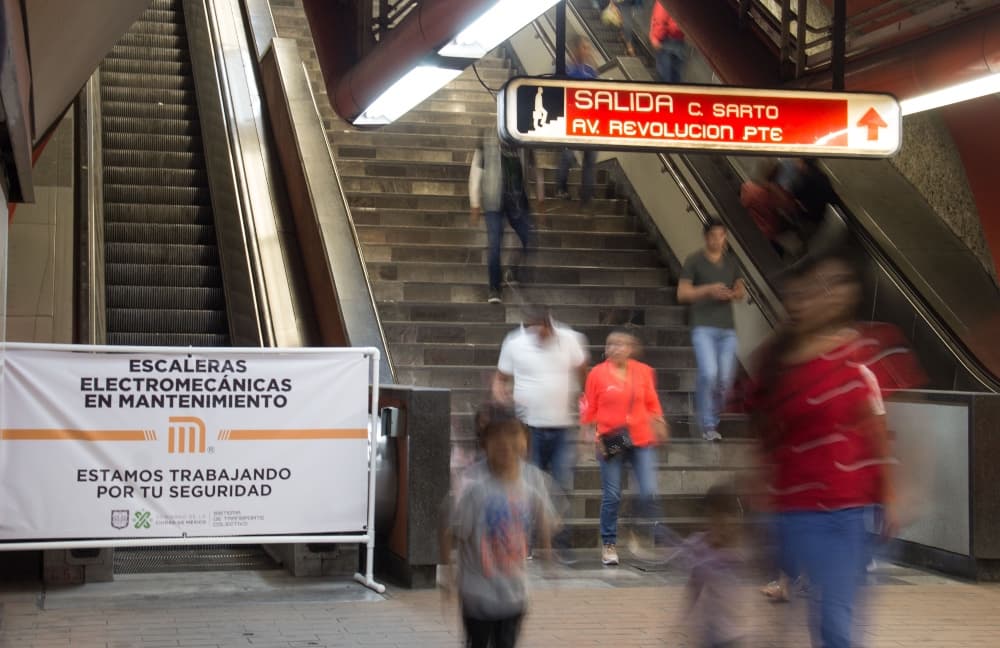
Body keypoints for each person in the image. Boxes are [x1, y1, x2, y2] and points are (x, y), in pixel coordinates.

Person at [746, 252, 923, 648]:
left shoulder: (858, 354)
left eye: (833, 287)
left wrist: (891, 494)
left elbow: (876, 427)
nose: (816, 299)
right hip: (790, 512)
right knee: (795, 624)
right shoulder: (773, 364)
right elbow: (762, 436)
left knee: (834, 623)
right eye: (806, 292)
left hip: (846, 510)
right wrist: (759, 491)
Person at [441, 404, 558, 648]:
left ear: (526, 440)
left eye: (513, 433)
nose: (505, 442)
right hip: (478, 597)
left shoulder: (533, 479)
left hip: (514, 594)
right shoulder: (474, 486)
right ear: (483, 444)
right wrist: (449, 576)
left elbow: (544, 513)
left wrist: (547, 550)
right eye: (496, 435)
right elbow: (450, 532)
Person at [493, 306, 589, 555]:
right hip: (528, 429)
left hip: (562, 427)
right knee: (526, 486)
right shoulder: (514, 342)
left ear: (550, 324)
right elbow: (500, 378)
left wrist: (586, 412)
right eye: (533, 328)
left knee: (560, 486)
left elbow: (584, 373)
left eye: (543, 328)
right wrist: (503, 400)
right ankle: (525, 543)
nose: (539, 333)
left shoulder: (570, 339)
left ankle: (559, 545)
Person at [580, 329, 669, 566]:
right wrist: (590, 431)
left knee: (648, 489)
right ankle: (609, 542)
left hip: (641, 436)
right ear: (606, 349)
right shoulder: (597, 374)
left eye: (621, 344)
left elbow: (652, 402)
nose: (616, 348)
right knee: (612, 495)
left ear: (630, 348)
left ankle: (634, 523)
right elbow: (589, 407)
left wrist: (659, 421)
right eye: (611, 344)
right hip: (612, 438)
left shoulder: (643, 371)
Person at [677, 220, 745, 441]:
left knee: (725, 379)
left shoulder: (731, 263)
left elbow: (741, 290)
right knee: (709, 372)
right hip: (703, 326)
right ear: (706, 237)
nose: (718, 240)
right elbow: (683, 294)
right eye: (714, 236)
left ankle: (711, 416)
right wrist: (708, 290)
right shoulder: (694, 260)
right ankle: (708, 424)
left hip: (727, 329)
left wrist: (732, 294)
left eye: (722, 235)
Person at [469, 128, 542, 304]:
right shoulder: (487, 139)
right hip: (494, 201)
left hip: (518, 201)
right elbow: (475, 171)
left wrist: (541, 199)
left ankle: (513, 270)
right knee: (494, 244)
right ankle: (495, 287)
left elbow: (536, 171)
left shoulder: (524, 139)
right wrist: (475, 203)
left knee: (530, 238)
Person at [556, 35, 598, 207]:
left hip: (589, 123)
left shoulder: (591, 71)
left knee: (590, 158)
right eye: (584, 47)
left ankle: (586, 196)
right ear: (575, 49)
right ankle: (561, 187)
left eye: (588, 47)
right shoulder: (565, 69)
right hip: (570, 121)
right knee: (567, 155)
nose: (587, 51)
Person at [649, 0, 687, 83]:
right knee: (676, 76)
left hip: (666, 41)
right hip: (679, 40)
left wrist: (656, 37)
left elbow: (660, 18)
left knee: (664, 78)